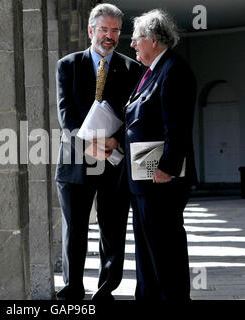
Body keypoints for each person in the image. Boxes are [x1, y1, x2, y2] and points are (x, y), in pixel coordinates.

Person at [55, 3, 141, 300]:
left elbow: (134, 116)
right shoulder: (68, 65)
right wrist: (87, 143)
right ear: (91, 30)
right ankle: (72, 290)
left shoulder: (133, 69)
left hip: (114, 163)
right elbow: (66, 114)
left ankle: (105, 291)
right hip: (76, 160)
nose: (110, 35)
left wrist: (116, 140)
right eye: (104, 29)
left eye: (115, 30)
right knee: (75, 230)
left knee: (113, 230)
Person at [124, 9, 198, 300]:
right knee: (148, 254)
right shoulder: (154, 71)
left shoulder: (174, 70)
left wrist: (166, 167)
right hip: (144, 180)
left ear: (153, 39)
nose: (132, 45)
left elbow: (176, 125)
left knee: (165, 254)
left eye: (136, 39)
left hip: (161, 180)